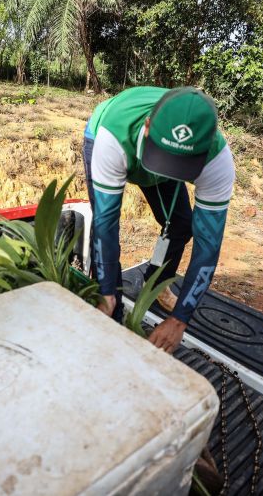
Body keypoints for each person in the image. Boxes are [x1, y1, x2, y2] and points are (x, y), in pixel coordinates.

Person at [82, 86, 235, 353]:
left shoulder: (217, 159)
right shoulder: (112, 136)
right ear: (148, 125)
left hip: (158, 149)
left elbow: (208, 245)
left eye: (180, 163)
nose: (168, 171)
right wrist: (106, 293)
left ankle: (156, 283)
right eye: (167, 159)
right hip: (118, 141)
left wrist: (179, 319)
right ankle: (112, 312)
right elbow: (106, 226)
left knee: (181, 224)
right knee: (104, 231)